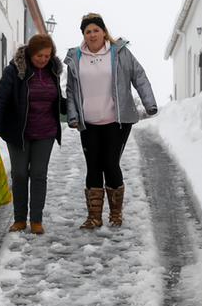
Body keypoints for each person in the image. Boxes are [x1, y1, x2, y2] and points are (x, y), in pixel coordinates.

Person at [64, 12, 158, 229]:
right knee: (93, 166)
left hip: (117, 120)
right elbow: (70, 90)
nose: (92, 34)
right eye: (88, 31)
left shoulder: (120, 53)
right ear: (83, 35)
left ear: (104, 32)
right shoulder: (75, 58)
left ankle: (116, 214)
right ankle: (94, 217)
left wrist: (149, 103)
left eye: (96, 30)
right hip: (88, 123)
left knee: (110, 163)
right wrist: (73, 115)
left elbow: (139, 76)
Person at [0, 33, 67, 235]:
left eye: (47, 56)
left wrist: (73, 109)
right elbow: (0, 99)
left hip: (45, 132)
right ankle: (20, 219)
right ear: (31, 53)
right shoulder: (14, 71)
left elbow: (58, 99)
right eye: (40, 55)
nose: (43, 60)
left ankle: (37, 220)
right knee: (20, 174)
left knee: (39, 174)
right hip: (18, 132)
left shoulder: (53, 72)